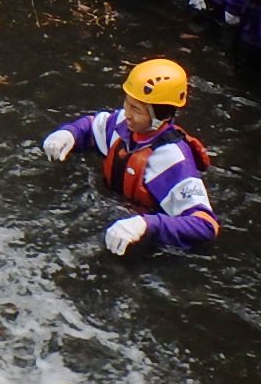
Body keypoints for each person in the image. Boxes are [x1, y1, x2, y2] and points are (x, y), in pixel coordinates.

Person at [40, 57, 218, 255]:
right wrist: (70, 133)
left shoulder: (173, 160)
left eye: (136, 109)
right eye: (127, 103)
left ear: (160, 117)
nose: (127, 113)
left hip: (144, 241)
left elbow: (205, 225)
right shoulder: (124, 123)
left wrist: (146, 225)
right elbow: (92, 126)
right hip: (111, 212)